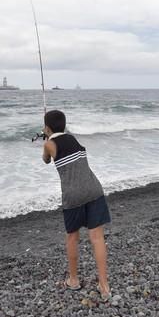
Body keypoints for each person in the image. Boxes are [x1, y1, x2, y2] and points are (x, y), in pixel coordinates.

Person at [41, 110, 111, 301]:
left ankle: (73, 280)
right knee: (97, 237)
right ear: (64, 125)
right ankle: (104, 285)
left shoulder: (49, 144)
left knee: (72, 237)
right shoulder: (73, 140)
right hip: (94, 189)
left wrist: (45, 140)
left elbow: (46, 159)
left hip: (73, 195)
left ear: (47, 128)